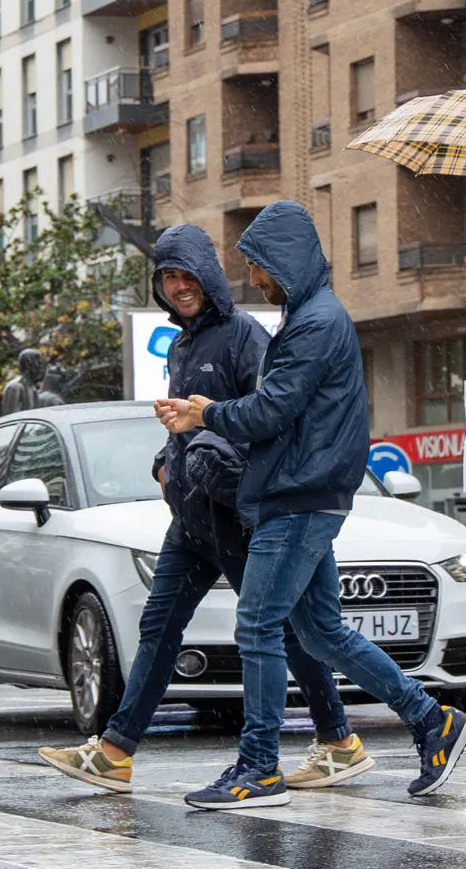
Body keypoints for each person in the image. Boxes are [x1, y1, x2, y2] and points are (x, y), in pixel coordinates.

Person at [158, 201, 466, 810]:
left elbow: (271, 410)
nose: (253, 279)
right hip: (301, 493)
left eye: (258, 267)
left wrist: (206, 413)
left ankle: (259, 767)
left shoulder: (316, 322)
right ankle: (433, 721)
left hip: (299, 498)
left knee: (255, 624)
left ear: (284, 262)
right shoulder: (308, 316)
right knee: (322, 631)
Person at [37, 225, 372, 792]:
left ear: (208, 276)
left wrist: (217, 459)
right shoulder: (181, 344)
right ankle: (116, 751)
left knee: (282, 630)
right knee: (158, 628)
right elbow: (185, 425)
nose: (179, 286)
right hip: (188, 518)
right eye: (168, 277)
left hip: (233, 514)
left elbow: (267, 421)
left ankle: (338, 739)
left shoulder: (244, 335)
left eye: (187, 275)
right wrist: (163, 462)